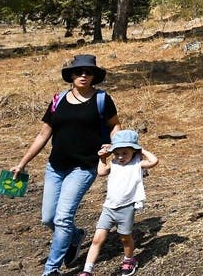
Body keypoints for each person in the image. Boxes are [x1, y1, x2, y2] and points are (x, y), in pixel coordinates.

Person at [11, 54, 121, 276]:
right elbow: (44, 134)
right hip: (55, 167)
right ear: (71, 75)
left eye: (88, 72)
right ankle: (75, 237)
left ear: (94, 76)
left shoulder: (102, 99)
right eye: (79, 71)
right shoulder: (58, 100)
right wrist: (23, 163)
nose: (83, 75)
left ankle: (51, 269)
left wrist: (113, 147)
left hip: (84, 167)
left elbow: (115, 126)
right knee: (48, 218)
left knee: (62, 218)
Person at [77, 130, 159, 276]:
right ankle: (87, 270)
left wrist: (142, 150)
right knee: (97, 239)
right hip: (109, 208)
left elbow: (154, 161)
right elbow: (101, 172)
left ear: (133, 151)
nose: (120, 157)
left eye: (125, 153)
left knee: (125, 238)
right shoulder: (113, 163)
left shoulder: (137, 163)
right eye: (117, 153)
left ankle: (129, 259)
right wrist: (103, 158)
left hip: (126, 208)